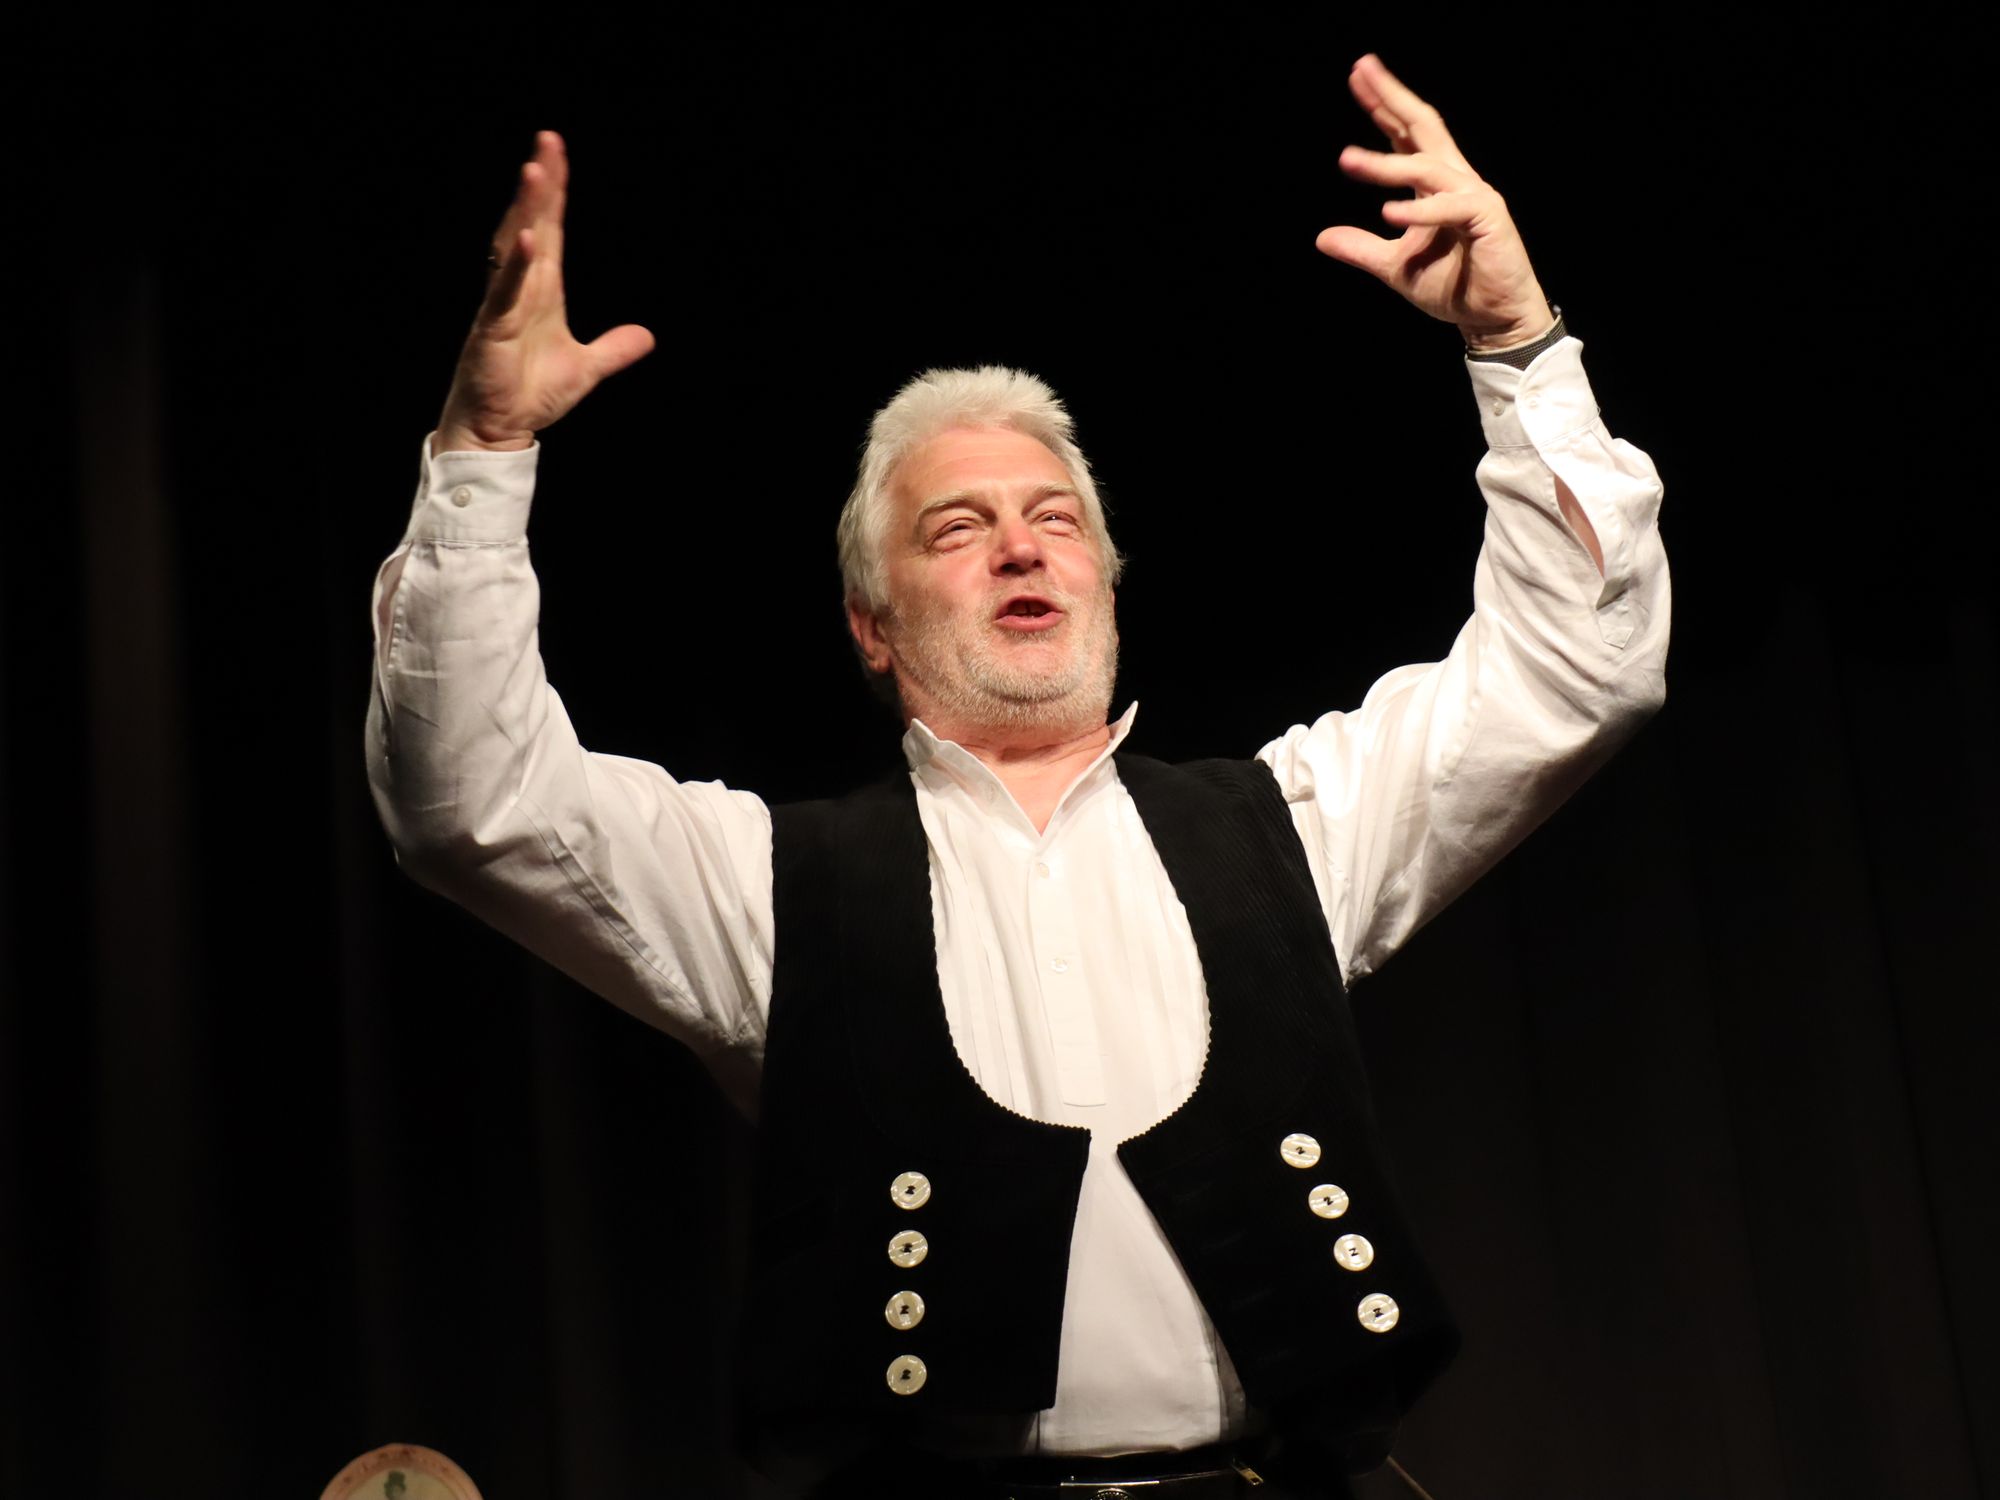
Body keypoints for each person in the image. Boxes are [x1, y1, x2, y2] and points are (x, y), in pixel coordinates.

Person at [366, 54, 1668, 1500]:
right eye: (957, 528)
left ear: (1106, 576)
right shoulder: (771, 888)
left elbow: (1581, 668)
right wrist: (483, 454)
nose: (1020, 547)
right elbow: (470, 804)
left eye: (1055, 519)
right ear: (872, 626)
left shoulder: (1292, 829)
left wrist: (1516, 343)